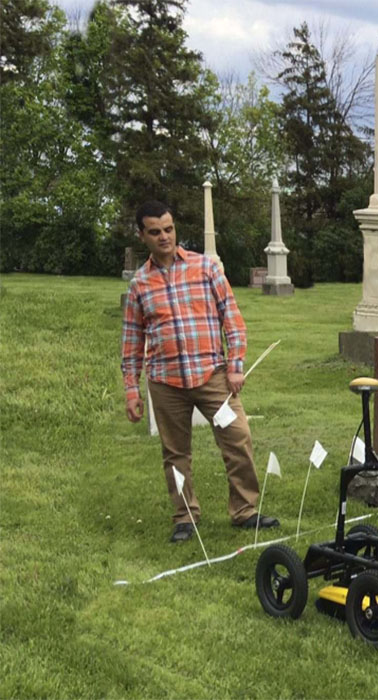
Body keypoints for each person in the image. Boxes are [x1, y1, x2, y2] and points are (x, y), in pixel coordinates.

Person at [121, 200, 279, 543]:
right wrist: (132, 390)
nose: (164, 237)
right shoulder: (139, 284)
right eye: (155, 232)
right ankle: (185, 517)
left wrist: (235, 367)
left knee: (237, 438)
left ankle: (245, 510)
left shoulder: (205, 268)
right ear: (142, 235)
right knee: (175, 454)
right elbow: (132, 342)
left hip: (213, 377)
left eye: (169, 229)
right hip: (166, 383)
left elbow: (232, 319)